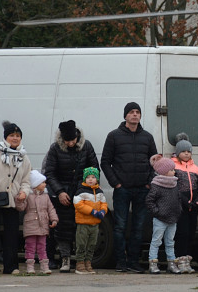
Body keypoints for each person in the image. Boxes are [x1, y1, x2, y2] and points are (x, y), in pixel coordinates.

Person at [102, 102, 157, 273]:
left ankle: (133, 261)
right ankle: (121, 261)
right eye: (131, 112)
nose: (135, 115)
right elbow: (105, 162)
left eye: (137, 112)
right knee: (120, 226)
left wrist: (148, 182)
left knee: (138, 227)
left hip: (142, 189)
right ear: (125, 115)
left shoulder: (147, 137)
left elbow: (154, 161)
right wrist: (116, 183)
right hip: (122, 189)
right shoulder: (114, 136)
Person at [42, 120, 98, 273]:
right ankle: (64, 258)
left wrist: (83, 190)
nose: (71, 143)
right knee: (62, 228)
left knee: (81, 229)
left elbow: (93, 169)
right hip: (62, 195)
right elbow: (50, 173)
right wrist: (60, 191)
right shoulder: (55, 148)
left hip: (82, 193)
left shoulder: (86, 146)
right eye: (67, 141)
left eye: (73, 140)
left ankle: (81, 259)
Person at [0, 121, 33, 274]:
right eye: (11, 135)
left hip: (12, 200)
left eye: (18, 136)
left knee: (11, 234)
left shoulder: (23, 156)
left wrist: (23, 192)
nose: (15, 138)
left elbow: (26, 179)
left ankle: (11, 266)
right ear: (5, 137)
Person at [172, 134, 198, 275]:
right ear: (178, 152)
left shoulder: (196, 168)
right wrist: (185, 202)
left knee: (191, 233)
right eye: (183, 151)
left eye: (188, 151)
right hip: (181, 206)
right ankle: (180, 259)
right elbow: (173, 186)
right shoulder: (173, 166)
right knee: (182, 233)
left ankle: (188, 259)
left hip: (194, 207)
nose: (186, 153)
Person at [146, 154, 181, 274]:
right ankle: (152, 262)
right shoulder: (157, 185)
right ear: (164, 172)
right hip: (160, 219)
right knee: (156, 240)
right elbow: (149, 201)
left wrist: (178, 210)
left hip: (173, 218)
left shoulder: (175, 184)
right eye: (171, 170)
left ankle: (171, 262)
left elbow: (178, 198)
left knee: (170, 241)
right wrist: (157, 212)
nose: (174, 172)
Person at [18, 171, 57, 274]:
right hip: (31, 225)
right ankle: (30, 266)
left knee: (42, 246)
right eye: (42, 182)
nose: (45, 184)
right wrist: (19, 200)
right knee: (30, 246)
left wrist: (54, 219)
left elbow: (51, 209)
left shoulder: (46, 196)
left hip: (43, 225)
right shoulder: (28, 196)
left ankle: (44, 266)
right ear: (35, 184)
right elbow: (21, 207)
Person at [72, 167, 107, 275]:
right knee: (81, 243)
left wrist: (102, 211)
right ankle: (80, 263)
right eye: (88, 177)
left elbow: (104, 203)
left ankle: (88, 262)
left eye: (93, 177)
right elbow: (78, 205)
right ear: (84, 179)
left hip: (95, 223)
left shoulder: (99, 192)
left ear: (97, 179)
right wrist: (92, 211)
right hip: (83, 223)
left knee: (92, 244)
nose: (90, 179)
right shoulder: (81, 191)